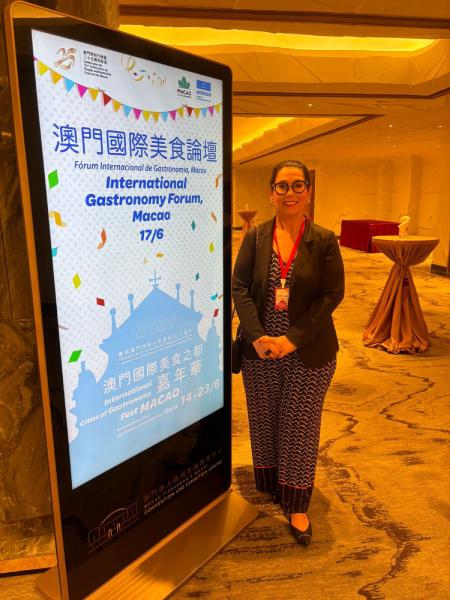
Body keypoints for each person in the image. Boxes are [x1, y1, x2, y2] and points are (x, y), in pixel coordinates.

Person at [232, 159, 344, 545]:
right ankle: (270, 482)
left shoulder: (324, 239)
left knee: (298, 425)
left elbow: (333, 293)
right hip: (261, 349)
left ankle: (296, 502)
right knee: (263, 417)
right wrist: (258, 336)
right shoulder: (257, 237)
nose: (291, 193)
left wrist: (292, 338)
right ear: (271, 193)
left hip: (307, 349)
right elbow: (240, 287)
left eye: (298, 185)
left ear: (308, 192)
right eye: (282, 186)